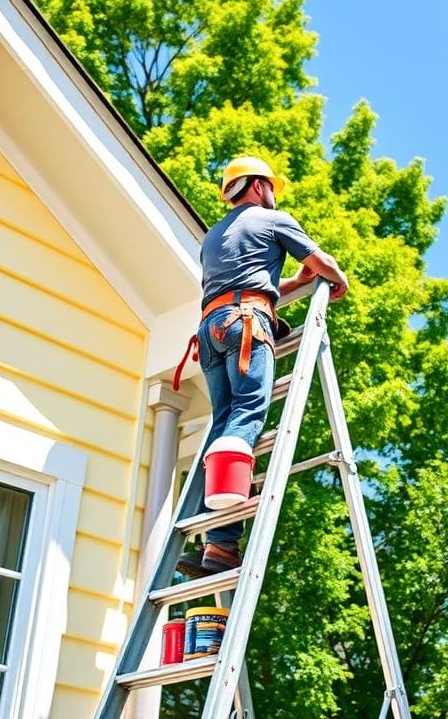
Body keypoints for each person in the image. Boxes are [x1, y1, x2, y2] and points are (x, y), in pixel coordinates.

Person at [178, 155, 348, 578]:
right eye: (271, 186)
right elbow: (319, 260)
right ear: (257, 185)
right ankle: (220, 541)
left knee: (224, 427)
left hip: (212, 329)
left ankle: (216, 543)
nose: (274, 194)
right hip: (247, 326)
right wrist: (336, 277)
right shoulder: (273, 221)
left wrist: (298, 283)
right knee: (248, 416)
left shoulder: (213, 237)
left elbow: (257, 285)